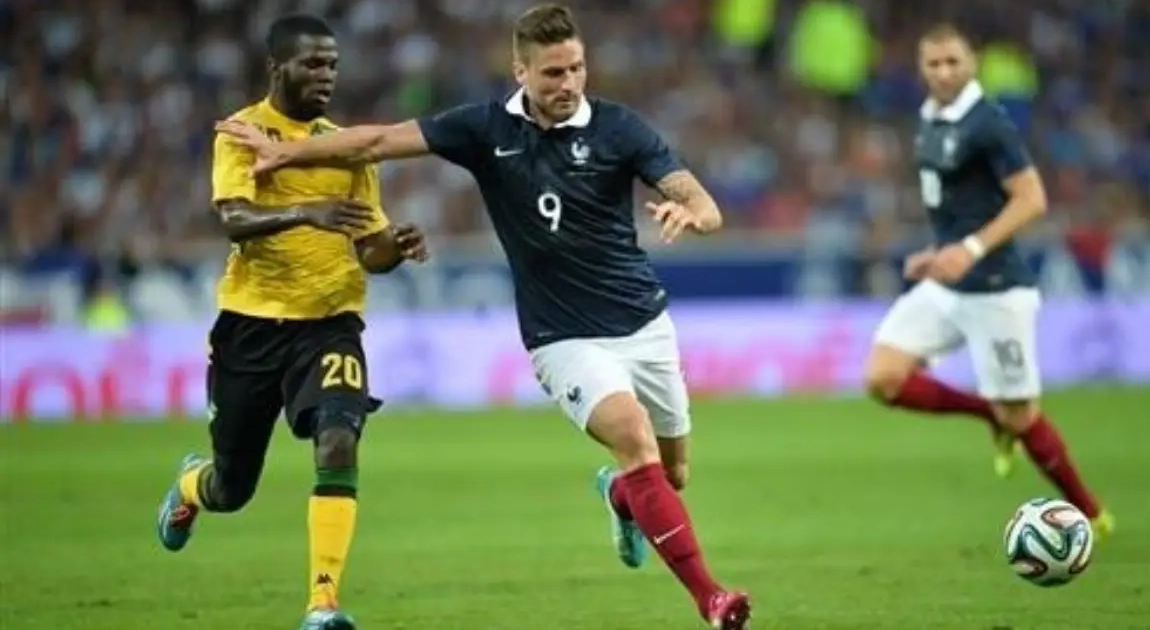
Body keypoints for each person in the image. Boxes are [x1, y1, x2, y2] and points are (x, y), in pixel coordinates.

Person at [216, 5, 752, 629]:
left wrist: (693, 214)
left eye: (577, 69)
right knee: (635, 439)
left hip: (643, 324)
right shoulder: (484, 129)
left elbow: (702, 201)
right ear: (520, 70)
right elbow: (376, 141)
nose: (569, 84)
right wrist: (285, 155)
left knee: (671, 474)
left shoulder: (618, 128)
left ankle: (619, 494)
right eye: (553, 73)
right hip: (563, 336)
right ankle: (712, 599)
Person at [155, 14, 428, 630]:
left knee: (339, 439)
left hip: (329, 323)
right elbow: (233, 220)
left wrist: (396, 247)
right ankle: (193, 487)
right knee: (232, 489)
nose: (326, 75)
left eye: (332, 65)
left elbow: (369, 247)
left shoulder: (347, 146)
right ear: (277, 67)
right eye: (313, 64)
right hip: (249, 327)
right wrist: (308, 211)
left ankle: (322, 604)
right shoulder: (241, 132)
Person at [863, 24, 1113, 537]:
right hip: (948, 284)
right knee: (883, 377)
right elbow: (963, 207)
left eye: (953, 62)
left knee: (1023, 417)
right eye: (933, 64)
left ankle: (1091, 514)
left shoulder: (989, 124)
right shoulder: (930, 118)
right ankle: (990, 415)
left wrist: (971, 249)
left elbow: (1031, 199)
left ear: (972, 62)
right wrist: (939, 253)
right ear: (921, 68)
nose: (943, 72)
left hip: (997, 288)